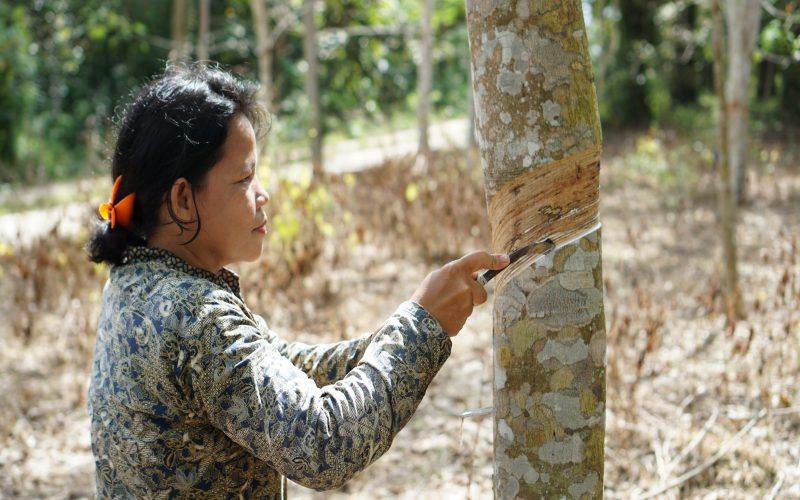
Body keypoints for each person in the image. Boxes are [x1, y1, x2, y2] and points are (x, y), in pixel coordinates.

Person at [85, 63, 510, 499]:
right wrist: (421, 326)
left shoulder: (137, 281)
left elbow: (284, 369)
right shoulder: (193, 314)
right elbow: (326, 443)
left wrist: (413, 319)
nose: (262, 193)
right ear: (181, 199)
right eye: (244, 178)